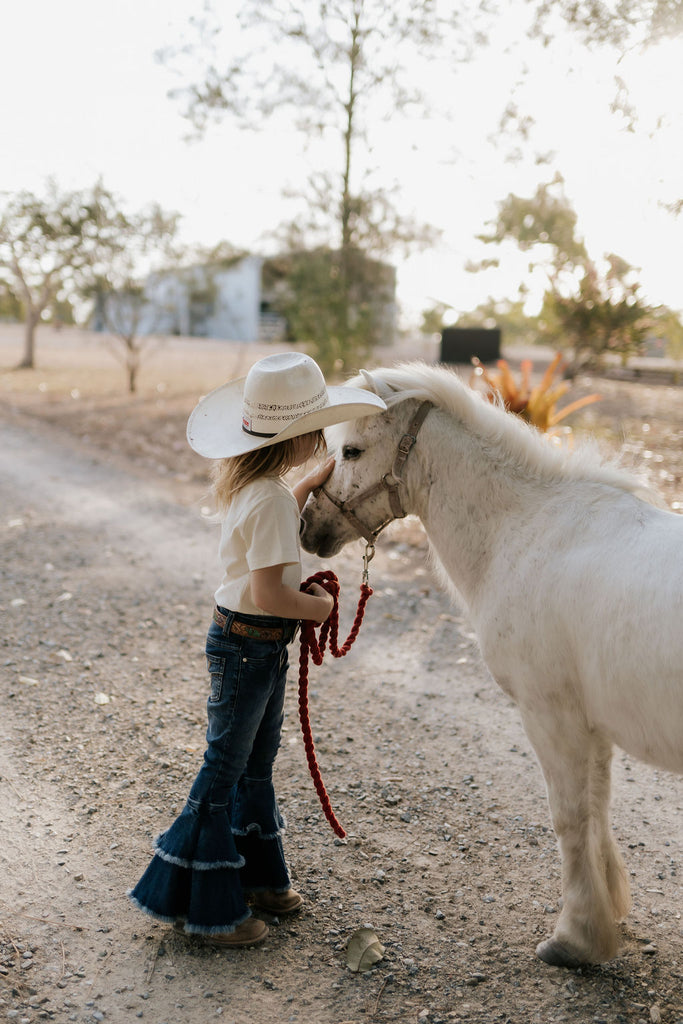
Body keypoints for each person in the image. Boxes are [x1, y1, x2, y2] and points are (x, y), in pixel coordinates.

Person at [128, 351, 386, 948]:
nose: (321, 440)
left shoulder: (260, 486)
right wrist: (320, 608)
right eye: (315, 431)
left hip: (252, 645)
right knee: (225, 768)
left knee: (254, 762)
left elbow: (266, 542)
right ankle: (208, 911)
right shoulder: (268, 498)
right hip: (251, 644)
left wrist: (304, 486)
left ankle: (258, 881)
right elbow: (272, 592)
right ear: (297, 436)